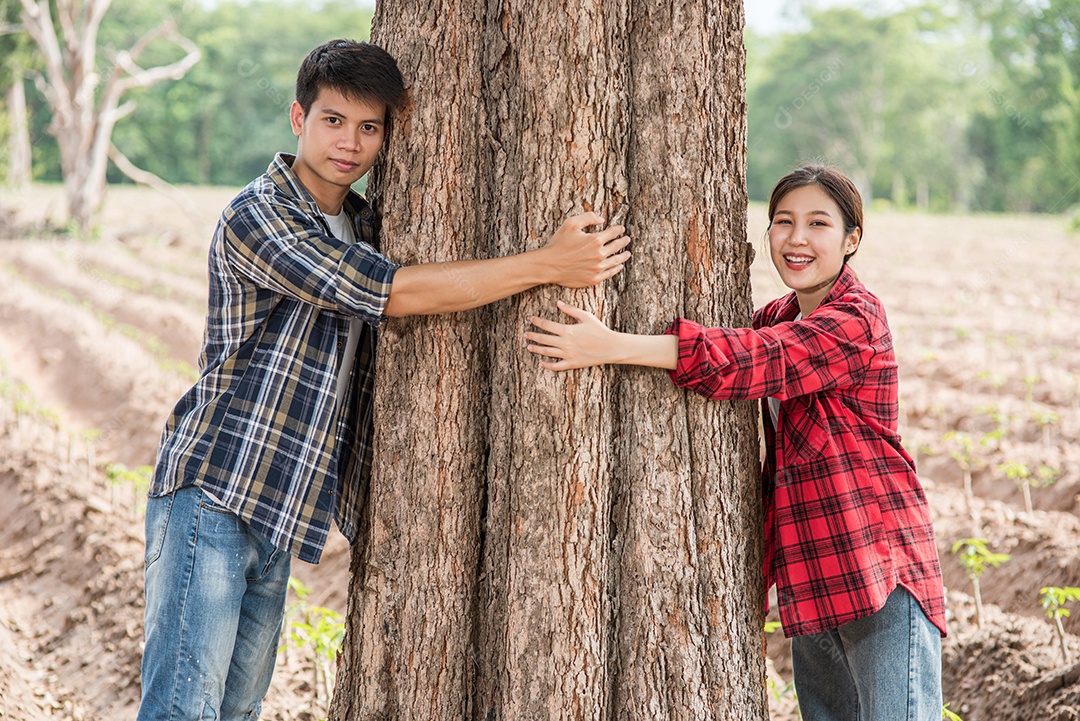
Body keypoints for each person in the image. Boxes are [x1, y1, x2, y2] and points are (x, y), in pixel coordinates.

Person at [138, 39, 630, 721]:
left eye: (370, 127)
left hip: (277, 507)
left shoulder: (366, 221)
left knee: (238, 710)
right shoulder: (260, 215)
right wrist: (547, 263)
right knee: (184, 712)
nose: (351, 142)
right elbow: (394, 292)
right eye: (333, 120)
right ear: (298, 118)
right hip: (214, 494)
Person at [524, 166, 946, 721]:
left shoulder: (855, 319)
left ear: (851, 240)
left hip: (877, 573)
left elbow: (752, 361)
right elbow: (744, 343)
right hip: (812, 579)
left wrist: (612, 345)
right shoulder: (780, 316)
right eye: (783, 222)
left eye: (818, 224)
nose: (797, 239)